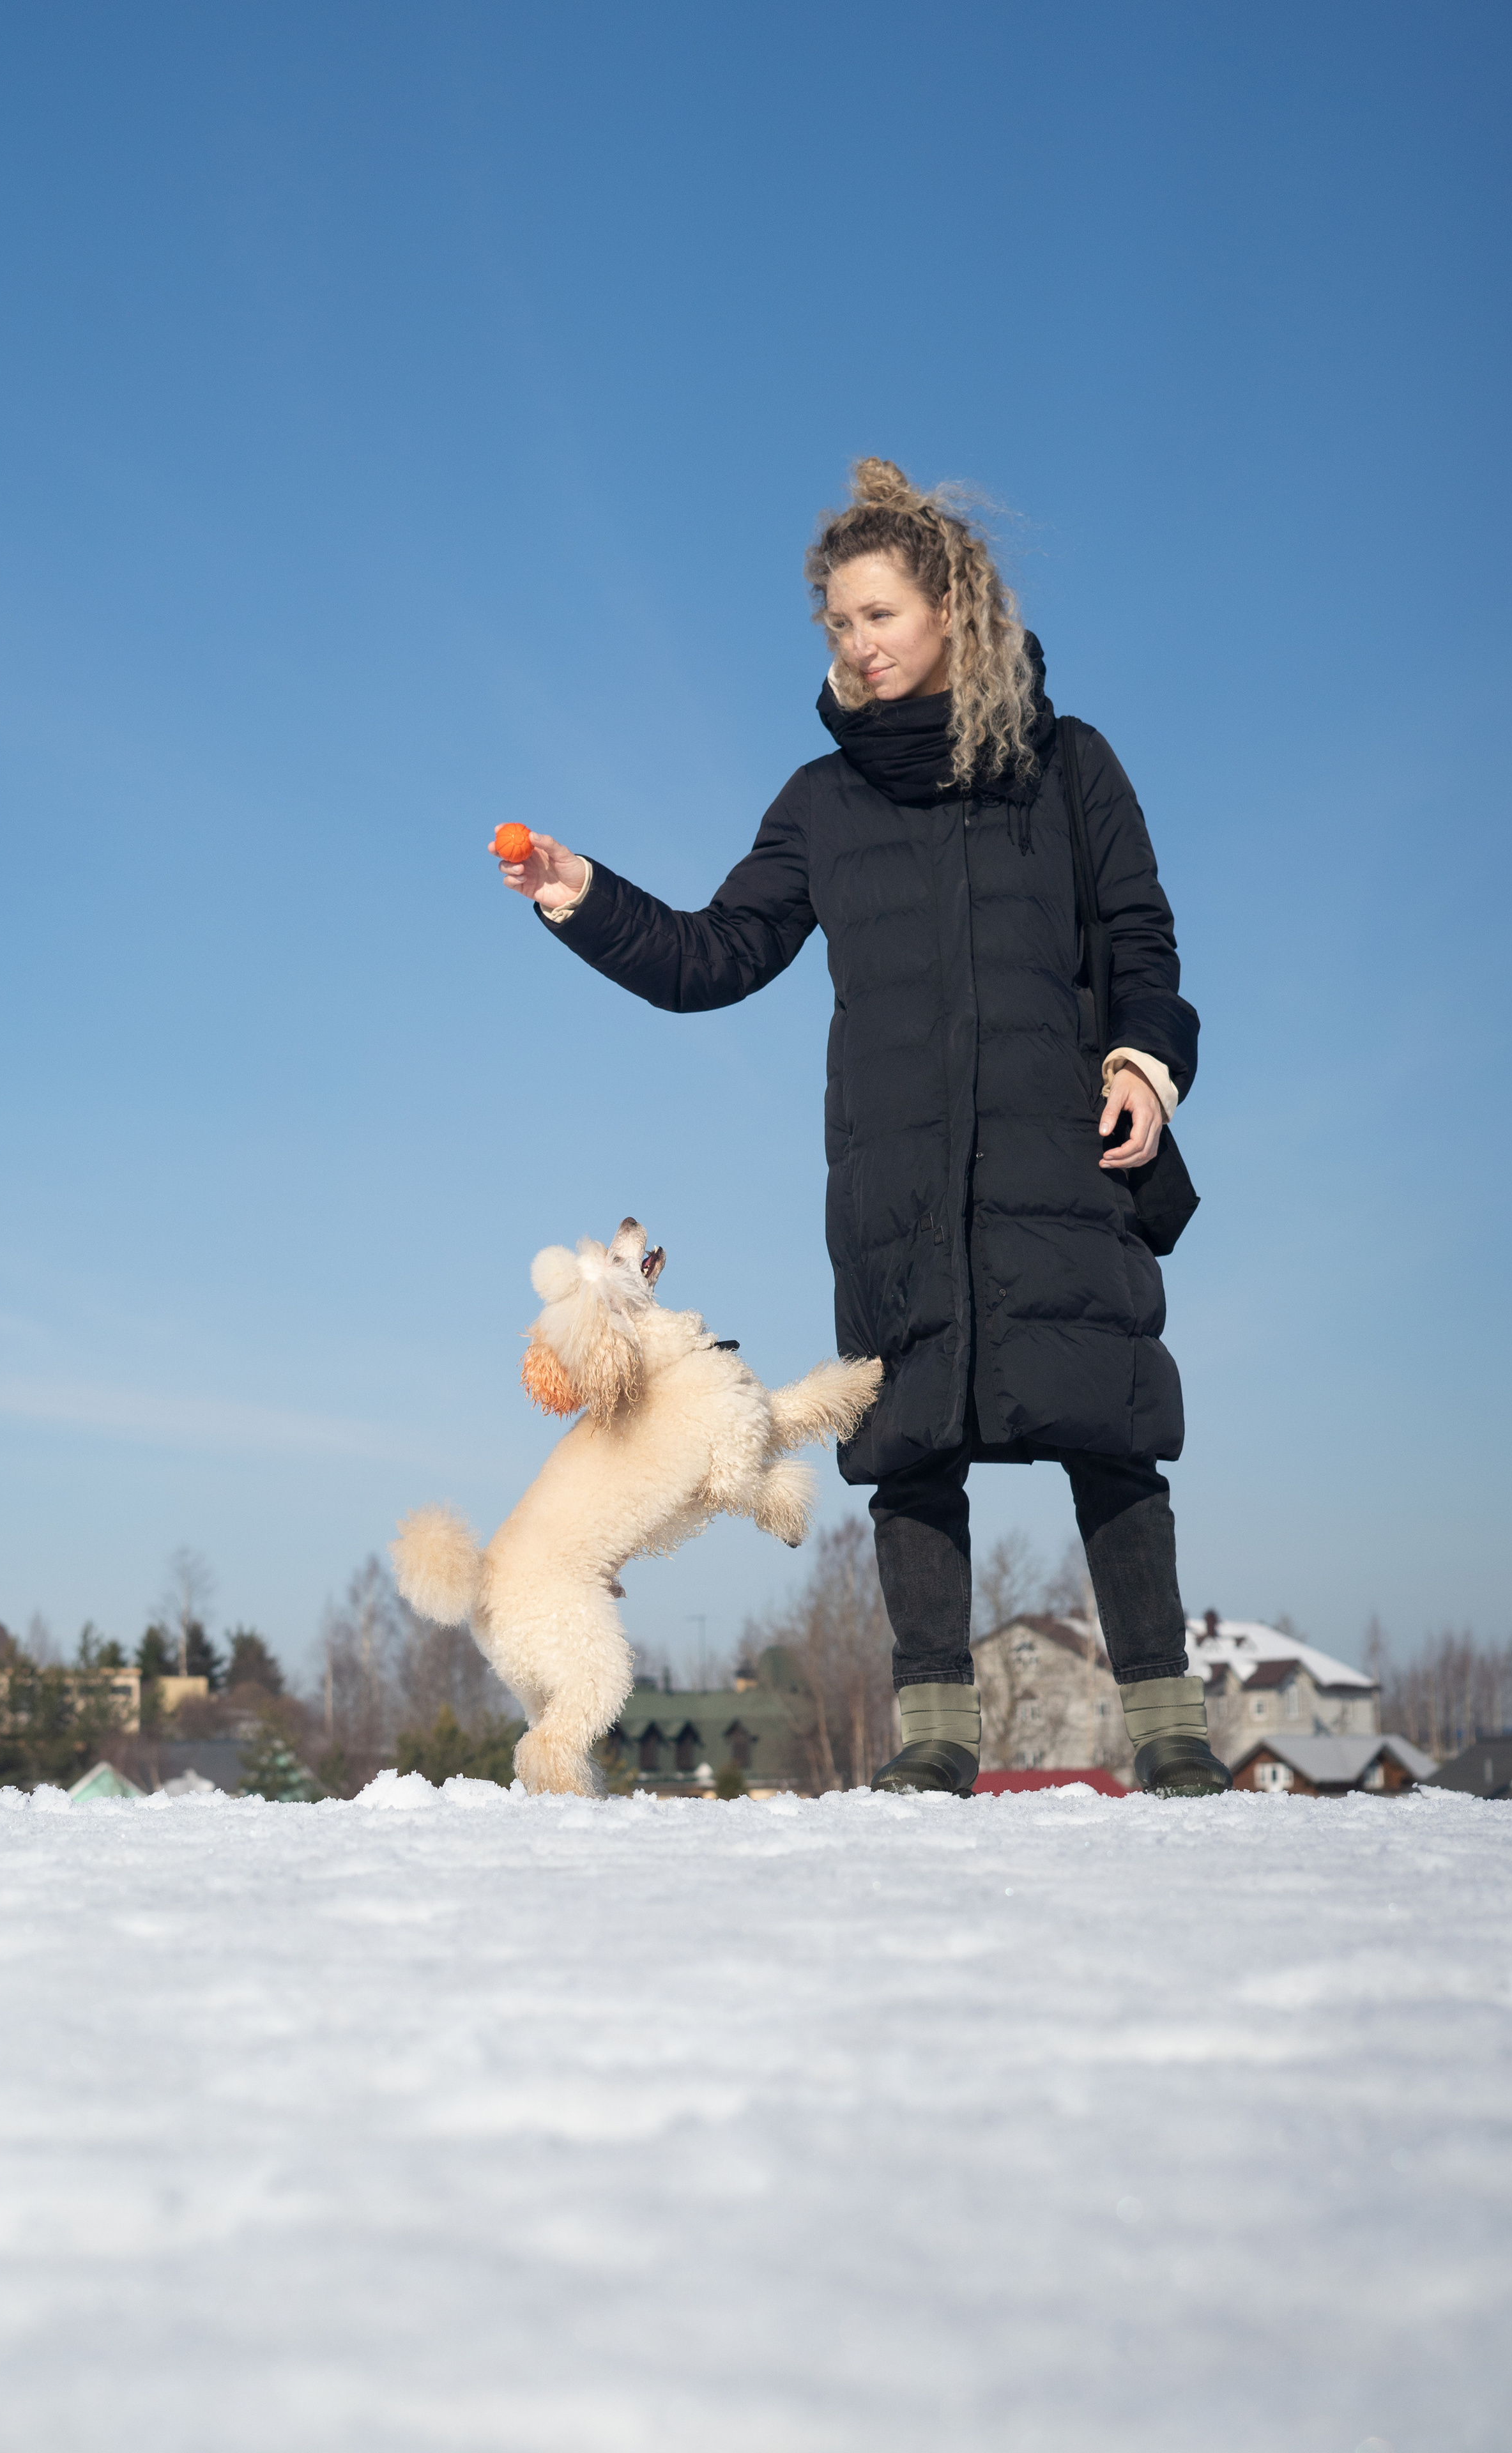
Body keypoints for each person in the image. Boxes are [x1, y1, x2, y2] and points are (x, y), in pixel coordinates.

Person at [493, 458, 1230, 1798]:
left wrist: (1143, 1059)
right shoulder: (821, 801)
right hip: (892, 1173)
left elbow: (1138, 933)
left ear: (952, 607)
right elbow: (713, 955)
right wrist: (581, 894)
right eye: (835, 623)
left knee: (1109, 1429)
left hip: (1061, 1152)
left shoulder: (1069, 769)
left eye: (877, 614)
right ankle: (934, 1741)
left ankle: (1169, 1729)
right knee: (908, 1445)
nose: (856, 642)